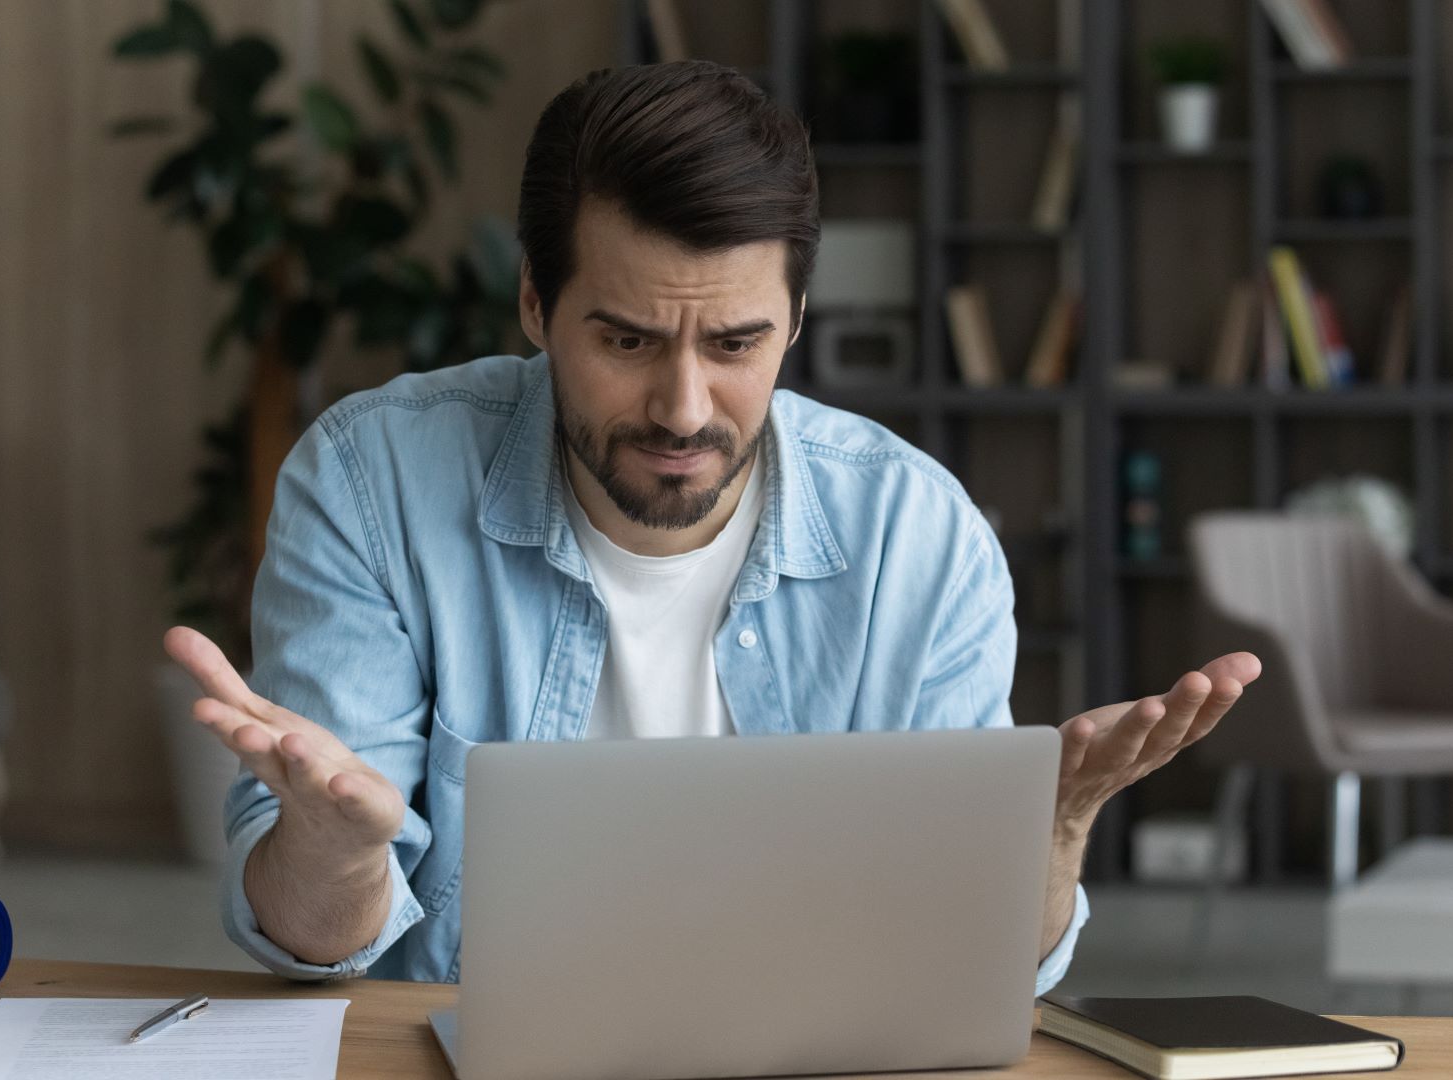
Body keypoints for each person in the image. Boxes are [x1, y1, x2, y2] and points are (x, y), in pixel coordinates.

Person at [163, 60, 1261, 992]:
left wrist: (1048, 841)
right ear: (536, 305)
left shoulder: (915, 535)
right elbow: (313, 950)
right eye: (630, 341)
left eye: (735, 345)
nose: (684, 410)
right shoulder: (372, 484)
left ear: (795, 320)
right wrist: (342, 856)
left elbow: (970, 970)